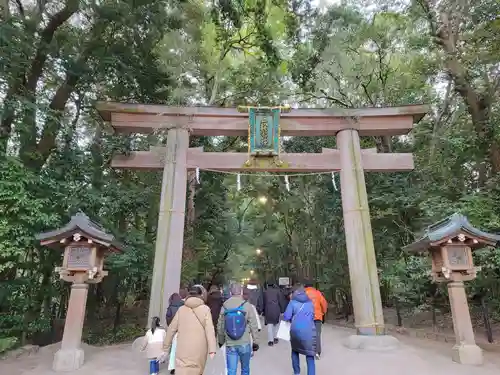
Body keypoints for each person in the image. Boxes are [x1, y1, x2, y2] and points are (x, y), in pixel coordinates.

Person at [162, 285, 217, 375]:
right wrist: (212, 349)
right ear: (201, 295)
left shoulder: (181, 309)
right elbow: (210, 330)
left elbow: (171, 329)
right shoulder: (205, 309)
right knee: (196, 370)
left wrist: (165, 348)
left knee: (181, 369)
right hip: (199, 349)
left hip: (182, 348)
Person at [218, 283, 260, 375]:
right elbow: (254, 325)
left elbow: (220, 326)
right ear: (240, 292)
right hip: (244, 342)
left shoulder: (225, 306)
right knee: (245, 369)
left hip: (230, 343)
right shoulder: (247, 305)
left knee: (231, 371)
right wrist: (256, 341)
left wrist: (221, 341)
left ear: (230, 292)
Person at [283, 284, 316, 375]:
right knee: (310, 355)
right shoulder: (310, 302)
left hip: (296, 331)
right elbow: (313, 316)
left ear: (294, 293)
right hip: (309, 331)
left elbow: (287, 316)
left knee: (295, 351)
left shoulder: (292, 303)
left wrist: (287, 318)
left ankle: (297, 372)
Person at [303, 281, 327, 359]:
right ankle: (317, 352)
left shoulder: (303, 294)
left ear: (305, 286)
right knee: (317, 335)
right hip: (317, 317)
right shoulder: (317, 293)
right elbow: (324, 303)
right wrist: (323, 312)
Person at [262, 281, 286, 346]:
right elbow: (281, 301)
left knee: (270, 325)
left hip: (268, 310)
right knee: (276, 324)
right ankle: (275, 337)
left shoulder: (265, 292)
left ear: (267, 285)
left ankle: (270, 341)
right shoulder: (278, 291)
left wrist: (262, 310)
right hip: (276, 309)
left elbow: (263, 302)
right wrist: (282, 310)